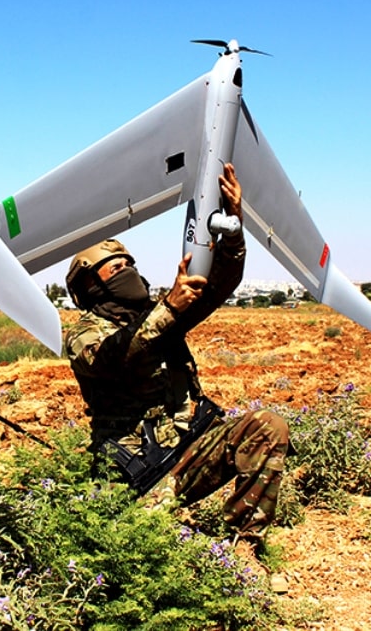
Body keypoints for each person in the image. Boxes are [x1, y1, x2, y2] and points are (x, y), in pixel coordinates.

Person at [64, 163, 289, 540]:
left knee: (266, 426)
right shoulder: (84, 334)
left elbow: (218, 286)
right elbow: (119, 356)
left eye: (129, 264)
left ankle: (246, 543)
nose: (127, 271)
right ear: (90, 287)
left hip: (188, 449)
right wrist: (168, 308)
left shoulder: (158, 314)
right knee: (136, 544)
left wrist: (233, 227)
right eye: (115, 269)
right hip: (139, 474)